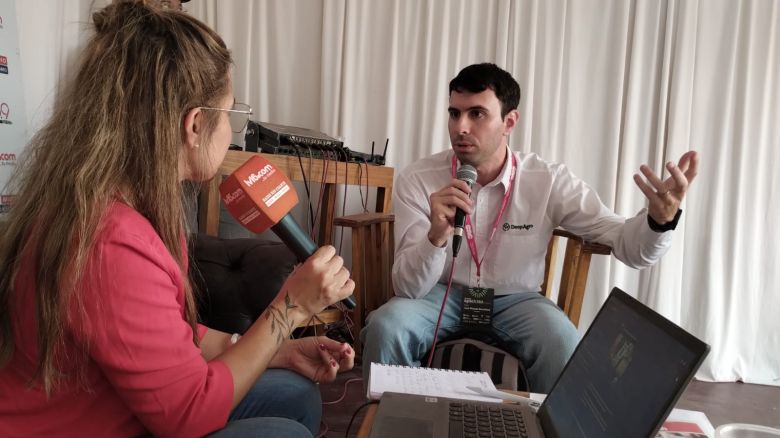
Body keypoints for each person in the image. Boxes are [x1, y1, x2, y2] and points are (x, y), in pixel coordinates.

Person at [0, 2, 355, 437]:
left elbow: (175, 335)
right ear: (195, 124)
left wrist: (277, 348)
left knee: (295, 393)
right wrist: (290, 308)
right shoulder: (110, 242)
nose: (231, 131)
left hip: (123, 409)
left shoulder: (127, 206)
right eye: (231, 114)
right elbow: (188, 414)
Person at [360, 63, 699, 393]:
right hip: (440, 293)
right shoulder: (419, 179)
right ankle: (388, 424)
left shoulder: (548, 180)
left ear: (510, 121)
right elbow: (407, 287)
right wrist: (435, 237)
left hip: (517, 300)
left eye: (476, 114)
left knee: (565, 343)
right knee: (386, 327)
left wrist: (659, 220)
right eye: (454, 113)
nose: (460, 127)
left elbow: (628, 245)